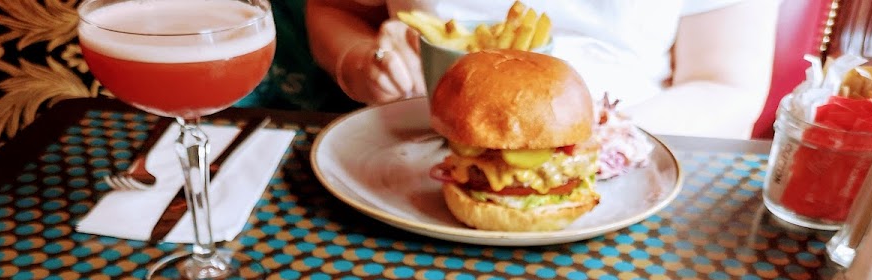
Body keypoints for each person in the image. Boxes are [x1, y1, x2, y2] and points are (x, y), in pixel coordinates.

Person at [306, 0, 780, 139]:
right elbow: (334, 9)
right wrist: (359, 62)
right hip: (409, 145)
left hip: (629, 153)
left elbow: (726, 87)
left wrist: (597, 138)